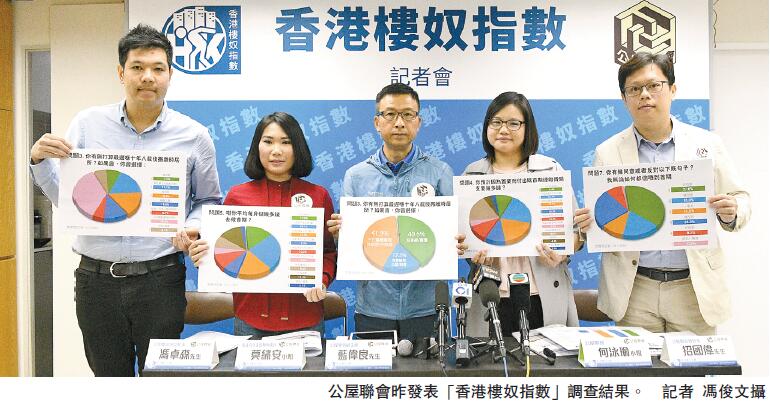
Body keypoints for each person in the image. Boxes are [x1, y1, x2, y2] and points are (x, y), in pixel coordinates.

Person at [28, 24, 222, 376]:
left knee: (161, 381)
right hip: (96, 281)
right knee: (108, 380)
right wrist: (39, 162)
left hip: (160, 279)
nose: (147, 77)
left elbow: (208, 199)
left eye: (157, 68)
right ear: (121, 73)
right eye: (137, 67)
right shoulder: (88, 124)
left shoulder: (194, 135)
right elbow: (70, 201)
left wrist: (192, 226)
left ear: (170, 75)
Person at [573, 52, 751, 335]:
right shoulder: (607, 152)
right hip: (634, 288)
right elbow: (603, 215)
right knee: (640, 365)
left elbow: (741, 197)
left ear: (672, 90)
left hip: (693, 287)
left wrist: (732, 210)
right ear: (624, 98)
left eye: (654, 85)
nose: (644, 95)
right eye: (634, 89)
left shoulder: (707, 143)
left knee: (694, 365)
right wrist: (589, 224)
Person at [187, 112, 337, 337]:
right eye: (268, 141)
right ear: (257, 147)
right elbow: (226, 251)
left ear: (298, 148)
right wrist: (203, 256)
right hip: (250, 318)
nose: (276, 151)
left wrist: (322, 279)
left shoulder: (318, 196)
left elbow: (328, 252)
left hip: (305, 316)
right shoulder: (237, 196)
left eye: (286, 142)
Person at [327, 83, 455, 341]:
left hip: (426, 305)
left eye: (407, 114)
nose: (399, 123)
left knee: (429, 368)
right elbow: (350, 246)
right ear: (377, 122)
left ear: (418, 122)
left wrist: (457, 241)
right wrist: (341, 235)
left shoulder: (440, 172)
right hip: (374, 306)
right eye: (390, 114)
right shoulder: (356, 176)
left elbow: (453, 235)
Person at [456, 91, 581, 338]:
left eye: (513, 123)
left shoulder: (550, 170)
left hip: (540, 292)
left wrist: (564, 252)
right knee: (492, 360)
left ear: (527, 128)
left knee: (545, 359)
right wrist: (467, 252)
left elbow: (577, 233)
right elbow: (463, 238)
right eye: (496, 122)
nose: (503, 129)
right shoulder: (471, 175)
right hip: (491, 293)